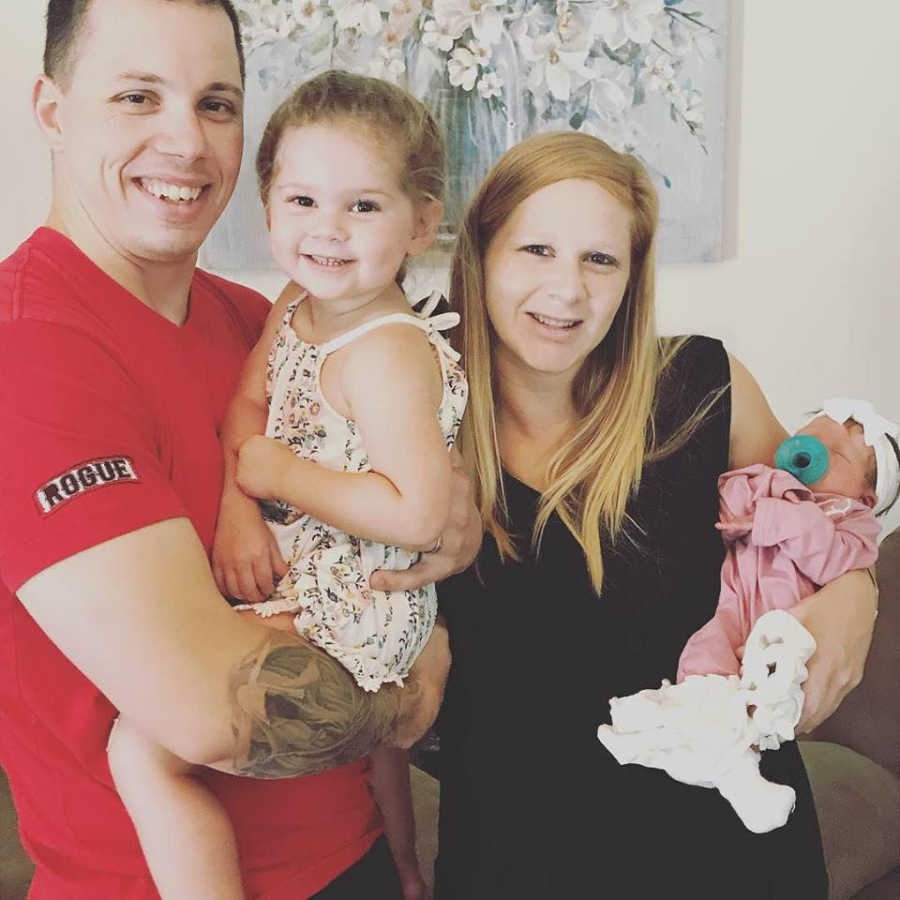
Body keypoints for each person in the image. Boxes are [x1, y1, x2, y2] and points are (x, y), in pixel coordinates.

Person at [0, 2, 479, 898]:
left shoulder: (266, 322)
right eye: (139, 96)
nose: (186, 141)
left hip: (357, 855)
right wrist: (412, 676)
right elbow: (206, 713)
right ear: (53, 111)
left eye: (216, 103)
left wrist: (445, 549)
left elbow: (423, 516)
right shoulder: (28, 349)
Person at [434, 131, 879, 897]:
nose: (567, 291)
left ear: (633, 278)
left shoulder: (705, 387)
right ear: (481, 256)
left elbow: (822, 530)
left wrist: (856, 596)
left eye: (599, 260)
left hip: (732, 853)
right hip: (518, 858)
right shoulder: (414, 418)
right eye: (535, 250)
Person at [106, 70, 467, 900]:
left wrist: (282, 476)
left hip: (363, 595)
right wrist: (240, 510)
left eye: (363, 207)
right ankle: (408, 870)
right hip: (313, 569)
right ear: (267, 207)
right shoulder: (296, 303)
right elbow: (248, 404)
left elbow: (416, 514)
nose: (328, 231)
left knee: (142, 747)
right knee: (382, 761)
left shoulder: (386, 352)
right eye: (302, 201)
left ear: (421, 224)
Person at [677, 400, 897, 681]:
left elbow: (831, 563)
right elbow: (724, 509)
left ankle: (754, 714)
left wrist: (783, 515)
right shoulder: (766, 479)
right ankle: (695, 709)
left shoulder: (852, 520)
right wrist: (750, 498)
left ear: (866, 499)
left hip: (789, 624)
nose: (816, 450)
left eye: (837, 454)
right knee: (703, 653)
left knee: (777, 679)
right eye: (809, 438)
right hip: (732, 603)